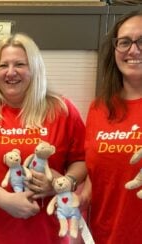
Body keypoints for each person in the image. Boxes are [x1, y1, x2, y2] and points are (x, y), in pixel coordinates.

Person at [0, 33, 87, 244]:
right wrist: (3, 199)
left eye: (20, 64)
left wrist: (63, 183)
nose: (11, 72)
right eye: (3, 65)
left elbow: (82, 161)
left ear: (34, 68)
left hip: (47, 234)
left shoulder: (62, 110)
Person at [83, 10, 142, 244]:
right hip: (104, 235)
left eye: (141, 41)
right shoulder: (99, 108)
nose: (133, 50)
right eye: (125, 42)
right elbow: (94, 175)